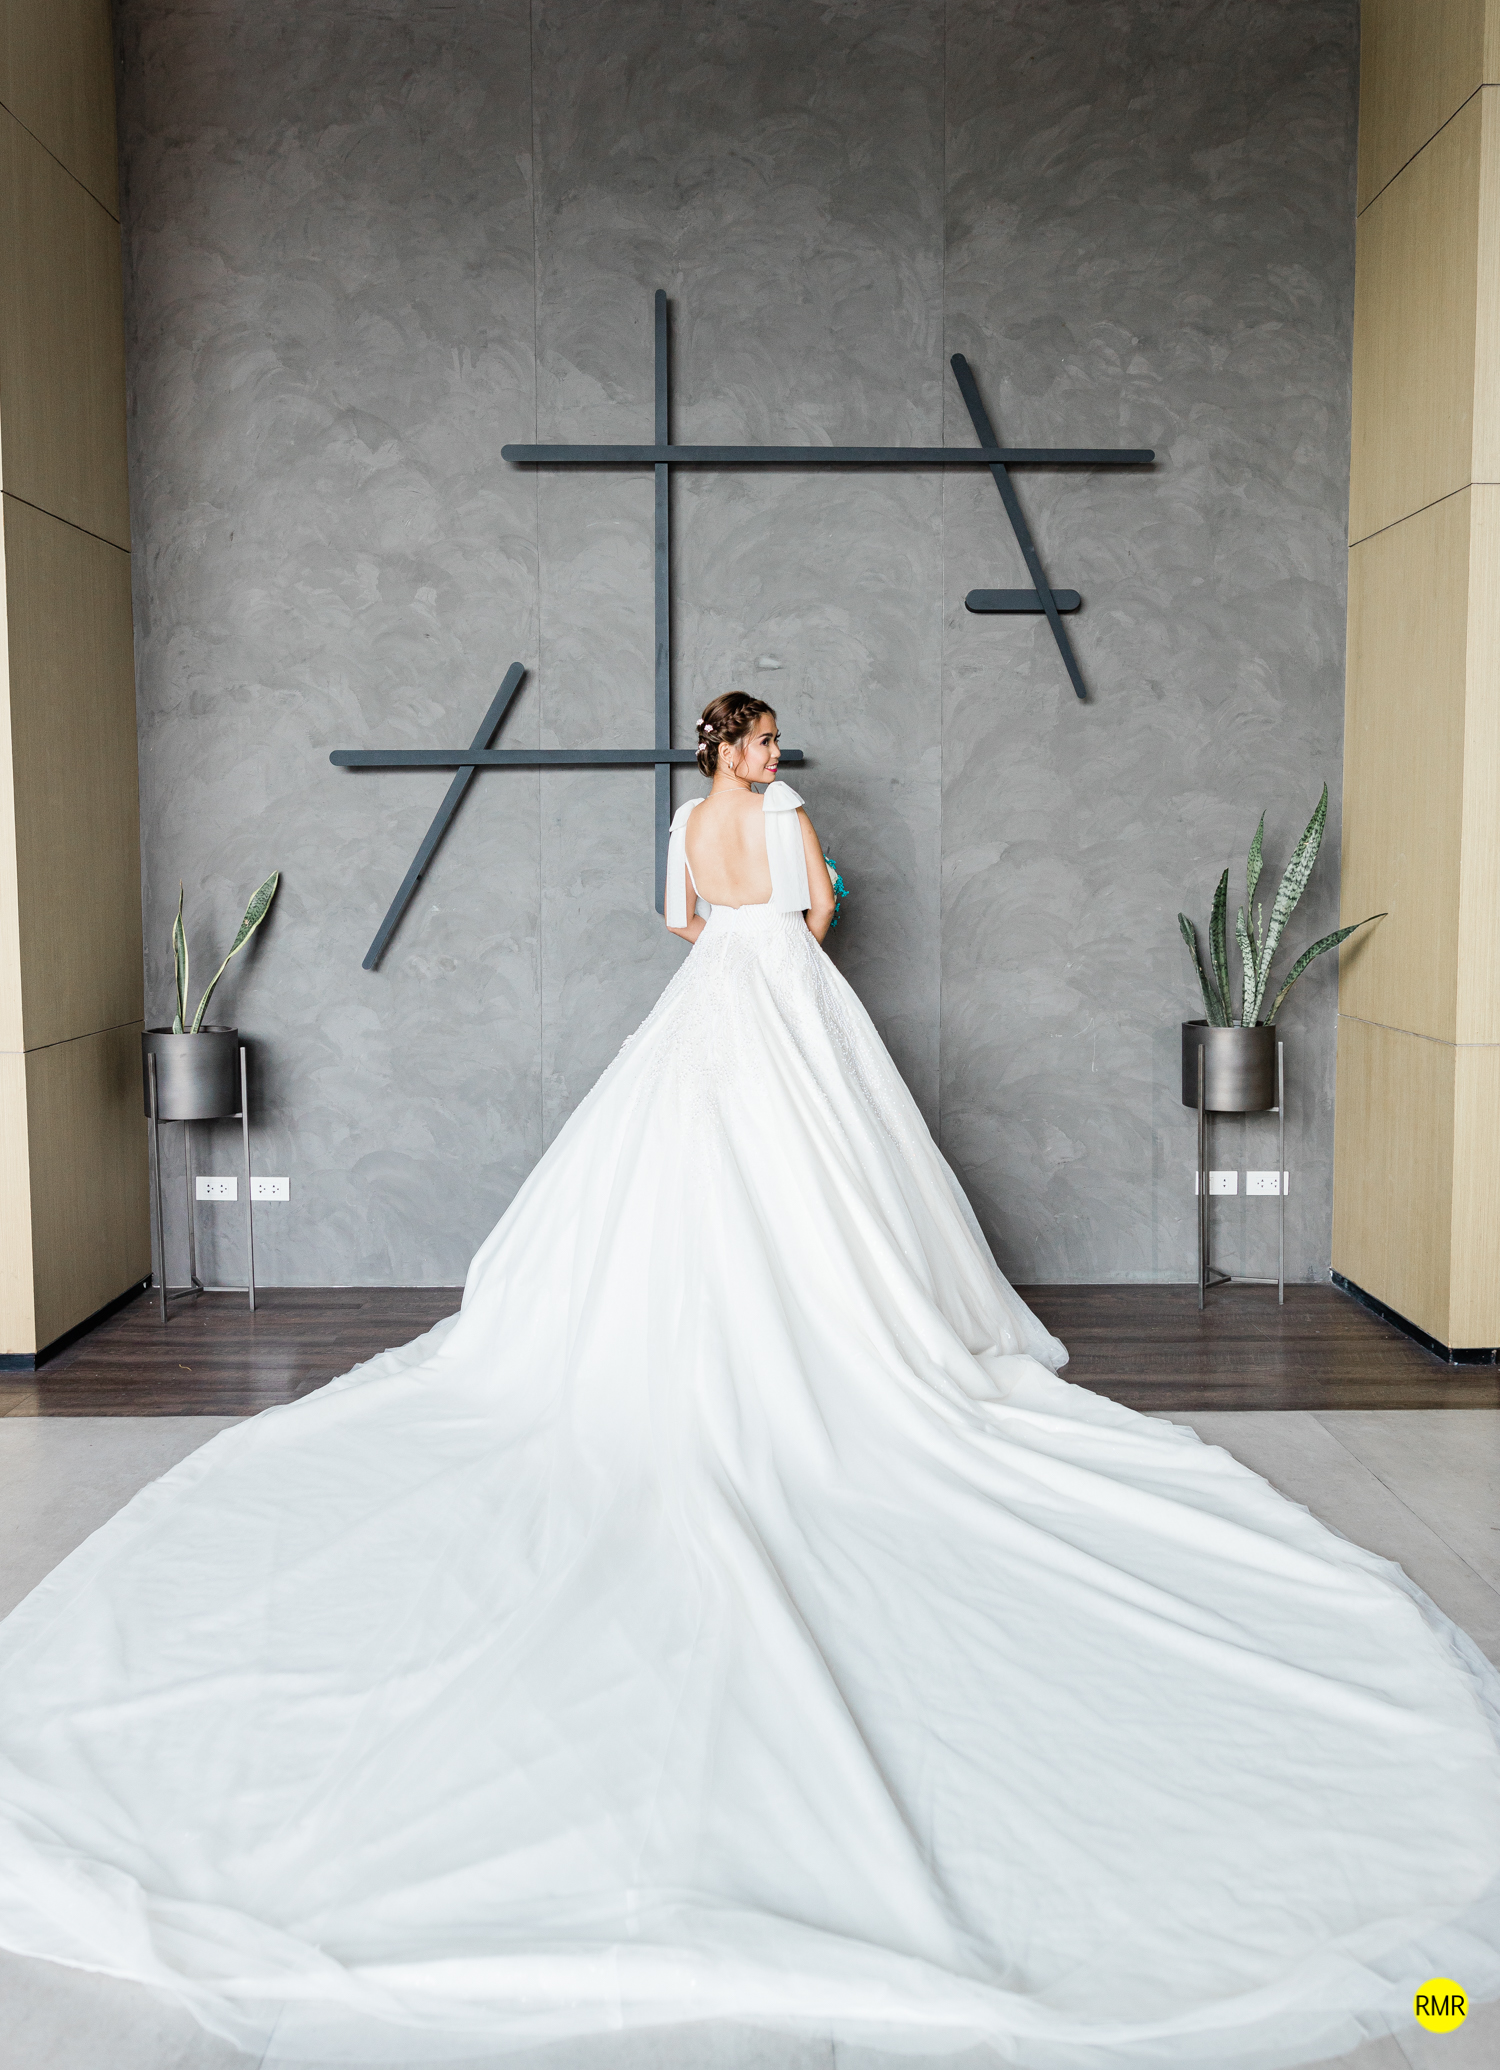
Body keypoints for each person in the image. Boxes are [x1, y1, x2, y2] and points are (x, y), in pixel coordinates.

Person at [0, 689, 1497, 2070]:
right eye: (764, 743)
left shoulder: (684, 822)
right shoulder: (784, 820)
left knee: (697, 1184)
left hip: (713, 999)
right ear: (737, 750)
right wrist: (798, 904)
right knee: (828, 1181)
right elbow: (822, 913)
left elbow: (678, 924)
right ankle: (831, 1341)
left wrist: (738, 932)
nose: (777, 761)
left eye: (772, 747)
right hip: (787, 998)